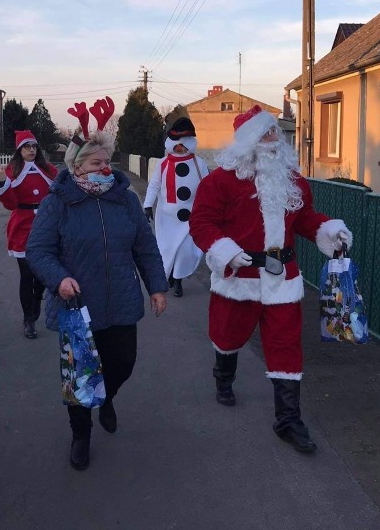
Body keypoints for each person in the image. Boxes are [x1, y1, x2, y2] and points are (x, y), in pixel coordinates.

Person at [189, 105, 352, 453]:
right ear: (247, 140)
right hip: (240, 275)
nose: (274, 138)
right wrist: (224, 250)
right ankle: (224, 376)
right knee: (227, 335)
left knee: (286, 346)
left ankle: (289, 420)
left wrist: (327, 229)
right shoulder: (219, 181)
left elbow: (304, 218)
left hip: (283, 279)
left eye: (275, 131)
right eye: (265, 132)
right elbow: (202, 223)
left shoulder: (293, 181)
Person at [26, 104, 168, 472]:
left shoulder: (125, 200)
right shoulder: (58, 203)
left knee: (123, 363)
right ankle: (81, 435)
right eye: (94, 164)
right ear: (76, 168)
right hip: (77, 306)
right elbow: (38, 250)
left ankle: (106, 399)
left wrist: (156, 286)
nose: (105, 169)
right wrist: (59, 279)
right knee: (80, 376)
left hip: (120, 301)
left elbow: (145, 246)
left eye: (107, 161)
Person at [0, 130, 59, 339]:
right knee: (27, 275)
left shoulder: (48, 169)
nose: (31, 150)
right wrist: (3, 182)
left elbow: (60, 191)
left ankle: (36, 303)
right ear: (19, 150)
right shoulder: (12, 170)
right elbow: (10, 203)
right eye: (27, 147)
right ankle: (29, 320)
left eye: (34, 146)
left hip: (45, 225)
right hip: (22, 225)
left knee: (40, 276)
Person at [142, 117, 209, 298]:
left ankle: (178, 280)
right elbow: (155, 185)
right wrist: (147, 205)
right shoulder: (163, 164)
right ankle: (171, 275)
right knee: (168, 248)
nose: (180, 149)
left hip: (190, 217)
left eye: (183, 145)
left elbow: (207, 187)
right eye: (177, 145)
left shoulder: (199, 163)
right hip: (167, 216)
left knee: (184, 250)